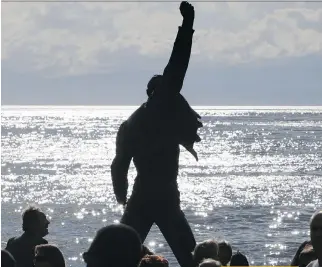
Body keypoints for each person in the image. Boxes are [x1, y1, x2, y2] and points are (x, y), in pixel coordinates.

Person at [111, 2, 201, 267]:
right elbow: (178, 64)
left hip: (145, 196)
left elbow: (119, 165)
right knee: (190, 258)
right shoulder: (159, 106)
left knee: (122, 254)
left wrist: (122, 193)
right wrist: (187, 25)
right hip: (161, 196)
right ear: (156, 92)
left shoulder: (130, 124)